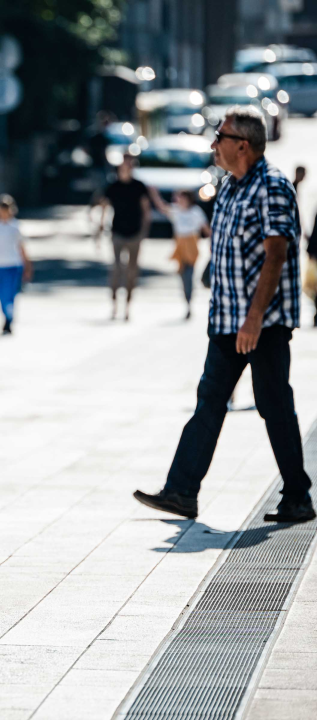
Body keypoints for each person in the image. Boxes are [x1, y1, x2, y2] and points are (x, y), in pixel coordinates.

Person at [134, 107, 315, 524]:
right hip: (227, 321)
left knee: (274, 405)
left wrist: (254, 319)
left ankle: (298, 497)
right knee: (210, 401)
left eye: (221, 136)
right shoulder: (229, 187)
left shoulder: (271, 187)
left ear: (243, 145)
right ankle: (181, 492)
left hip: (263, 324)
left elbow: (276, 255)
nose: (213, 143)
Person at [94, 154, 151, 321]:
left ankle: (127, 306)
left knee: (132, 271)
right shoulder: (112, 186)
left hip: (135, 233)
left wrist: (144, 232)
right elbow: (104, 207)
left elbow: (146, 209)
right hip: (117, 231)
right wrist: (100, 227)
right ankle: (114, 305)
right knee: (116, 269)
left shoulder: (139, 186)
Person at [149, 189, 210, 320]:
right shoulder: (176, 211)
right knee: (183, 275)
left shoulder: (195, 212)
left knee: (190, 274)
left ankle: (189, 300)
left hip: (191, 245)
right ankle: (187, 300)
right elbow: (162, 207)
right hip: (180, 245)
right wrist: (154, 194)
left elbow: (205, 228)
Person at [0, 194, 33, 334]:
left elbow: (22, 248)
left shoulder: (15, 227)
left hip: (13, 264)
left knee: (11, 293)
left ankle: (9, 319)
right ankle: (5, 315)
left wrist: (27, 266)